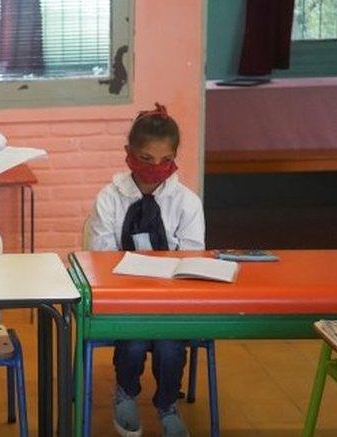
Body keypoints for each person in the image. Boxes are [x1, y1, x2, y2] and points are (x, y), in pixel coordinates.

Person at [86, 104, 204, 437]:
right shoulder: (109, 198)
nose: (155, 168)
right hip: (124, 299)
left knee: (168, 346)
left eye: (164, 161)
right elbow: (99, 257)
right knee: (135, 341)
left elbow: (194, 255)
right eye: (145, 159)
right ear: (129, 154)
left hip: (173, 301)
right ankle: (125, 393)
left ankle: (167, 403)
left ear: (175, 158)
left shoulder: (187, 202)